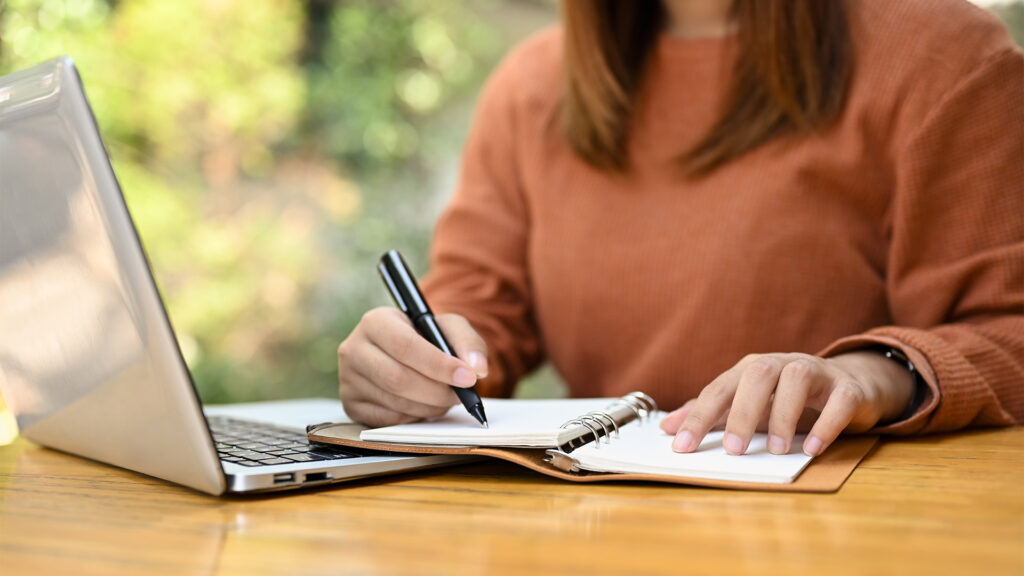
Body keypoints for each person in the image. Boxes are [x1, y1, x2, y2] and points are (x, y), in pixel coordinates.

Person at [337, 0, 1024, 459]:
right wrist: (413, 365)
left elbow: (1007, 330)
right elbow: (478, 310)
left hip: (847, 529)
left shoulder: (943, 55)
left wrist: (867, 375)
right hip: (597, 531)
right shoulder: (533, 85)